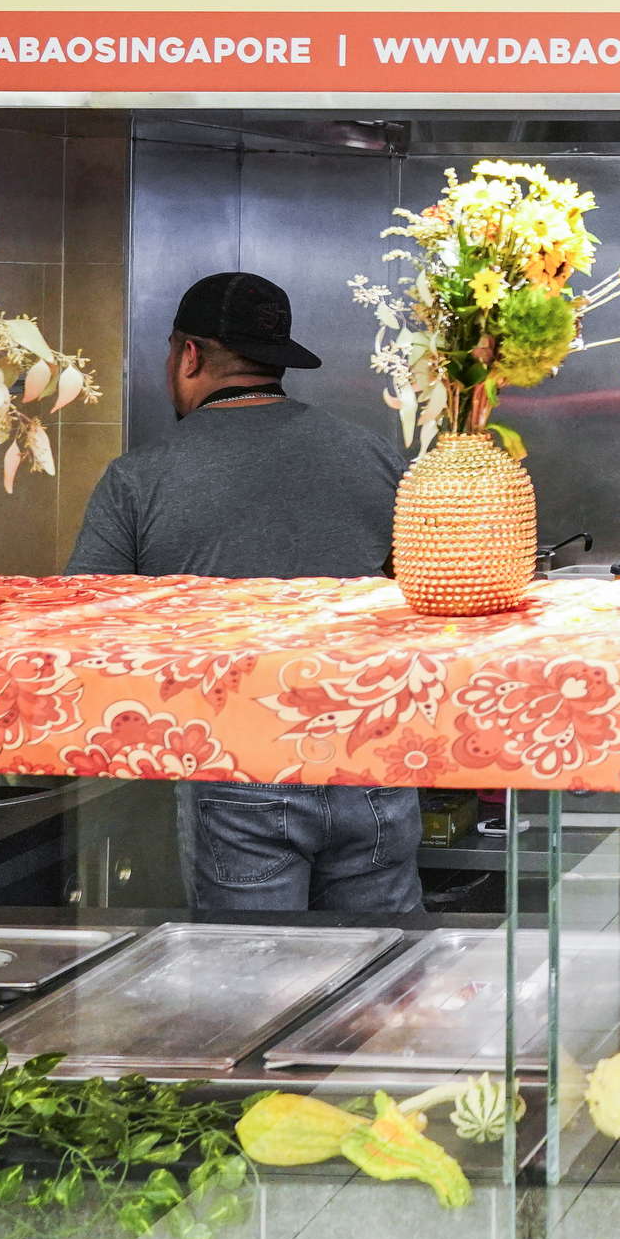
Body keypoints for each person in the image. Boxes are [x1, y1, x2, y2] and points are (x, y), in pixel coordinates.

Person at [66, 272, 422, 913]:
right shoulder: (375, 457)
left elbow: (87, 630)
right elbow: (428, 604)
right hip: (373, 765)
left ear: (190, 355)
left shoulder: (139, 478)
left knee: (254, 979)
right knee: (385, 986)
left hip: (235, 767)